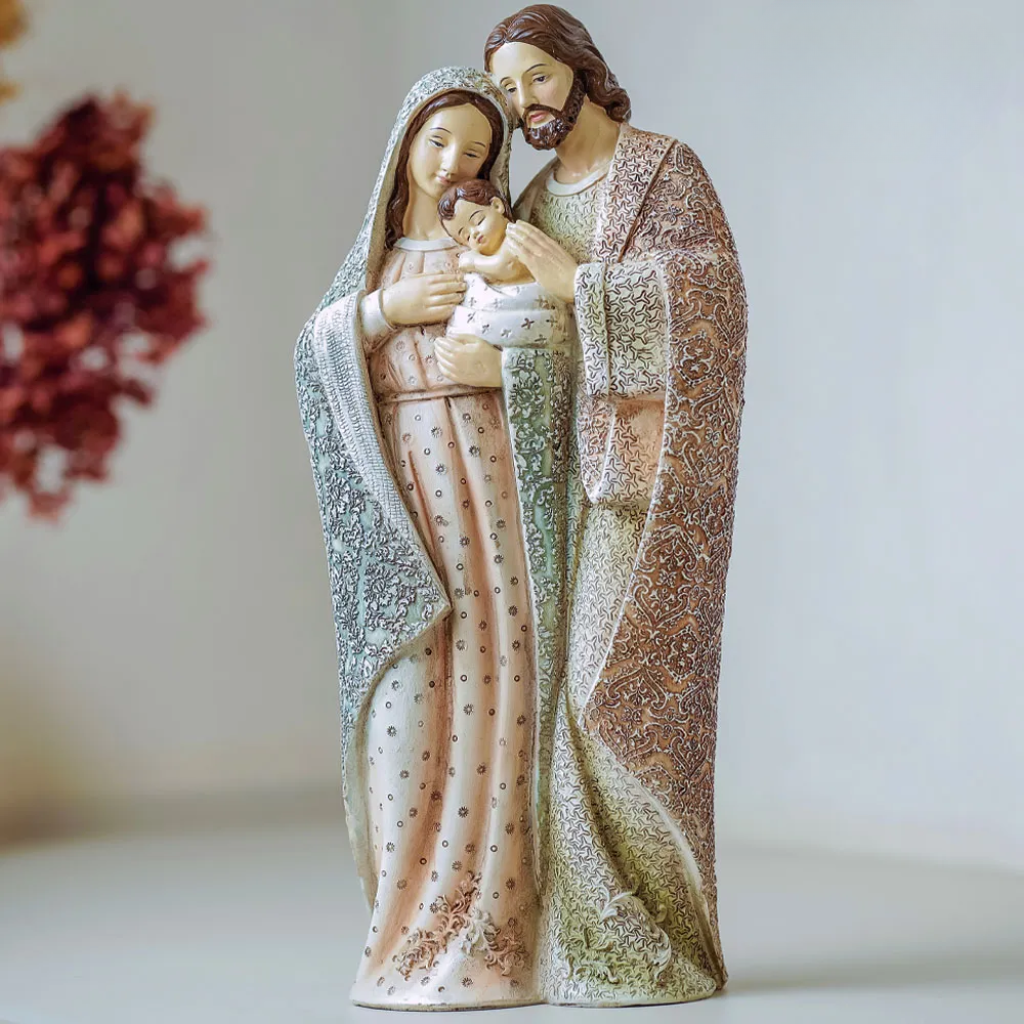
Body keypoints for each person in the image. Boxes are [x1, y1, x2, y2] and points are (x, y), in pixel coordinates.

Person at [477, 5, 749, 1006]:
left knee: (618, 694)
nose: (526, 104)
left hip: (649, 481)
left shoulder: (664, 170)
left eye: (538, 78)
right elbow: (531, 330)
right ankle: (590, 934)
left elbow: (714, 301)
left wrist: (583, 284)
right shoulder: (533, 201)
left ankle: (662, 940)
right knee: (563, 696)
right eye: (509, 92)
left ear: (582, 69)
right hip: (564, 480)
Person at [294, 68, 547, 1010]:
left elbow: (550, 343)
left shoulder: (498, 244)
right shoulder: (377, 260)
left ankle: (492, 926)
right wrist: (381, 314)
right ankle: (406, 928)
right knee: (412, 691)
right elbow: (311, 355)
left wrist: (503, 366)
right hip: (404, 487)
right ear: (405, 142)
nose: (451, 164)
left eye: (475, 152)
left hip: (489, 478)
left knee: (497, 662)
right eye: (438, 141)